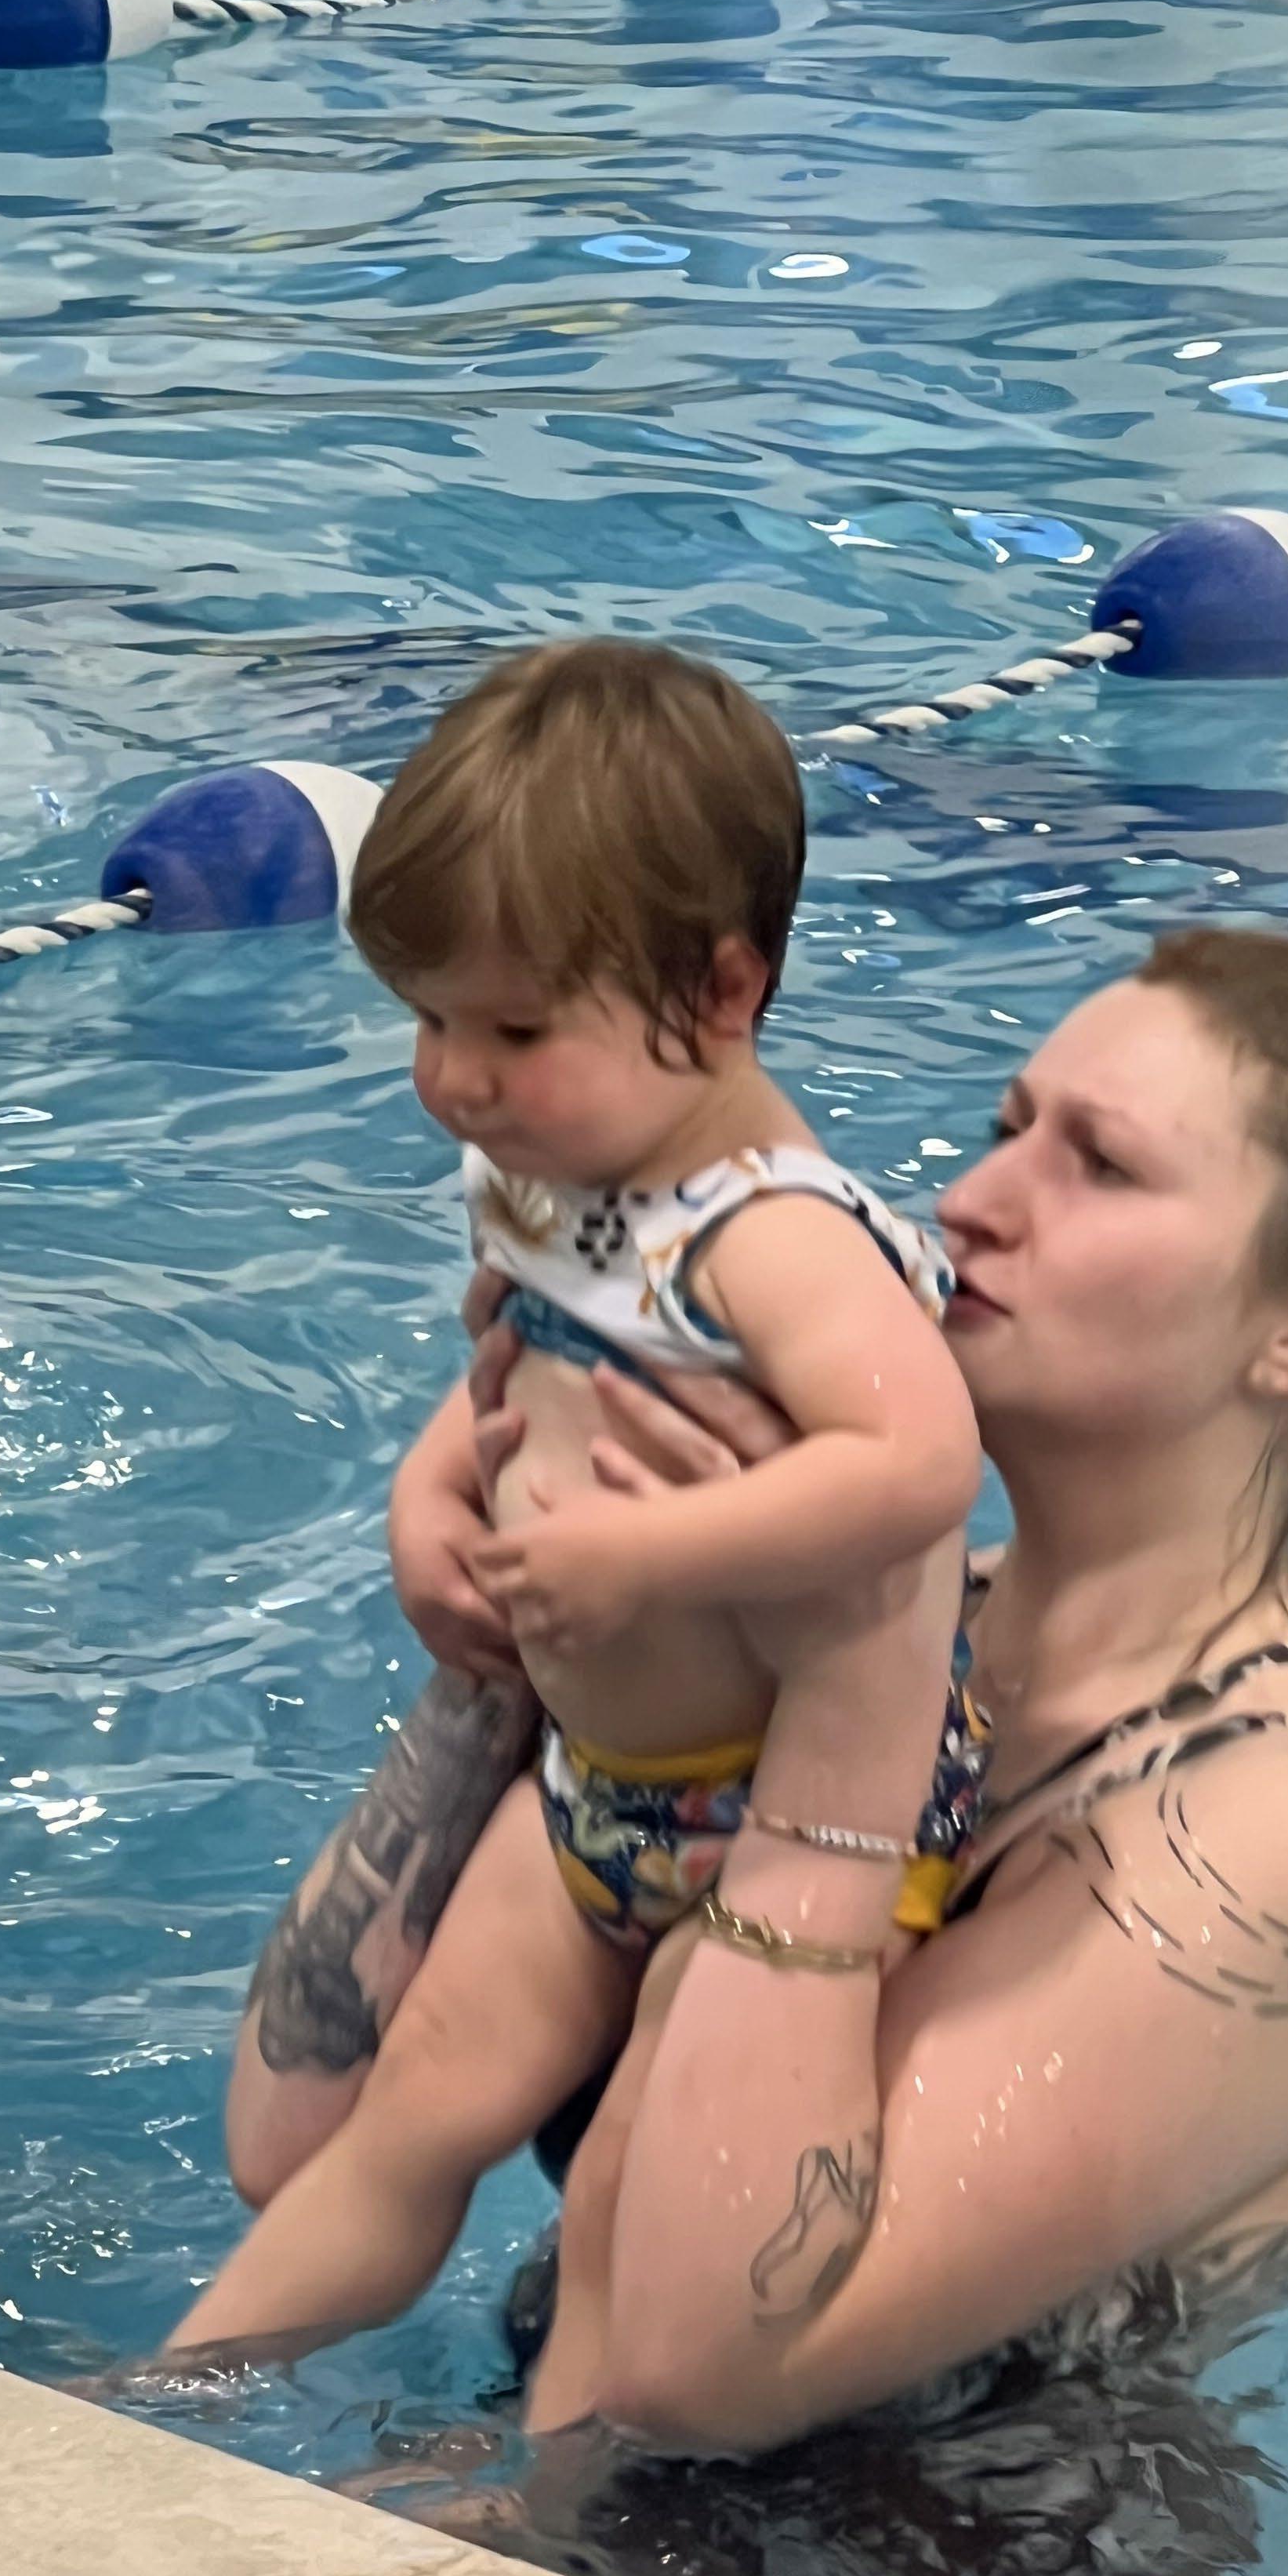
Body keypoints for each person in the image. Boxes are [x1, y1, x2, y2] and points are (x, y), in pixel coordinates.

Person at [215, 923, 1288, 2465]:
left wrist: (852, 1696)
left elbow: (685, 2373)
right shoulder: (847, 1610)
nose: (973, 1200)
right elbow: (295, 2140)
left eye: (1100, 1166)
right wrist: (504, 1625)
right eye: (1007, 1128)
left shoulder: (1281, 1832)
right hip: (567, 2481)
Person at [172, 640, 982, 2353]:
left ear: (723, 994)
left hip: (778, 1818)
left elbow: (918, 1460)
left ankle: (539, 2483)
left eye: (514, 1029)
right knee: (415, 2111)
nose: (454, 1078)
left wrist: (643, 1551)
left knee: (635, 2190)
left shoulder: (772, 1235)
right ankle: (168, 2400)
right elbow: (512, 1374)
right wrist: (424, 1506)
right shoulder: (554, 1172)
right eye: (429, 1020)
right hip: (595, 1790)